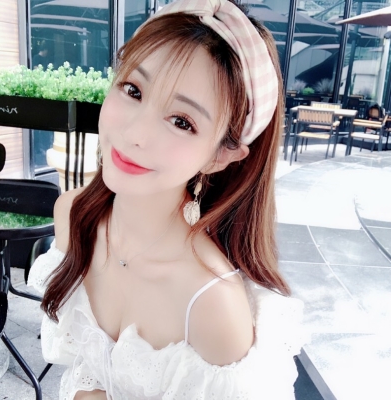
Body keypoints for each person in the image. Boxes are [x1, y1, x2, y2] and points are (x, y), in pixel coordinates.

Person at [28, 1, 305, 399]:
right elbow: (85, 368)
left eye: (181, 122)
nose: (135, 134)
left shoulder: (213, 305)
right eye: (133, 90)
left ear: (220, 156)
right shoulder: (73, 214)